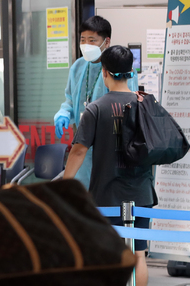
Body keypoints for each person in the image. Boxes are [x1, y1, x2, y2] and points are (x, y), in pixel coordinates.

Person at [64, 46, 151, 286]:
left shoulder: (96, 108)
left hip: (107, 197)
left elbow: (78, 151)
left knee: (105, 256)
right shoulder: (145, 104)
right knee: (138, 253)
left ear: (104, 73)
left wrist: (65, 186)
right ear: (130, 72)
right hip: (142, 193)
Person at [54, 16, 138, 189]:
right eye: (83, 40)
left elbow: (128, 104)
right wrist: (64, 113)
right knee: (85, 198)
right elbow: (70, 99)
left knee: (108, 198)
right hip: (84, 145)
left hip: (111, 147)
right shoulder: (78, 67)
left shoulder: (121, 69)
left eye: (92, 41)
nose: (86, 45)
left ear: (106, 42)